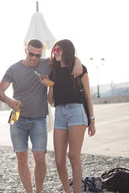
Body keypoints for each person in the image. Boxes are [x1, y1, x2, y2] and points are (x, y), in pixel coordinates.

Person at [0, 39, 82, 193]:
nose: (34, 58)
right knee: (21, 158)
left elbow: (66, 55)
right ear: (25, 51)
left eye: (37, 55)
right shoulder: (13, 69)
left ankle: (39, 191)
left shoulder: (46, 64)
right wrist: (9, 101)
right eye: (31, 54)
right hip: (17, 118)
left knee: (40, 159)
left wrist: (77, 62)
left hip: (39, 119)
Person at [46, 39, 96, 193]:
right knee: (59, 160)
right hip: (60, 112)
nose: (55, 52)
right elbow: (51, 100)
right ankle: (67, 190)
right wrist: (51, 85)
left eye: (59, 49)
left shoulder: (80, 69)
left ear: (67, 50)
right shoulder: (53, 70)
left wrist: (92, 120)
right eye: (54, 50)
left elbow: (88, 96)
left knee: (74, 156)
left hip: (76, 111)